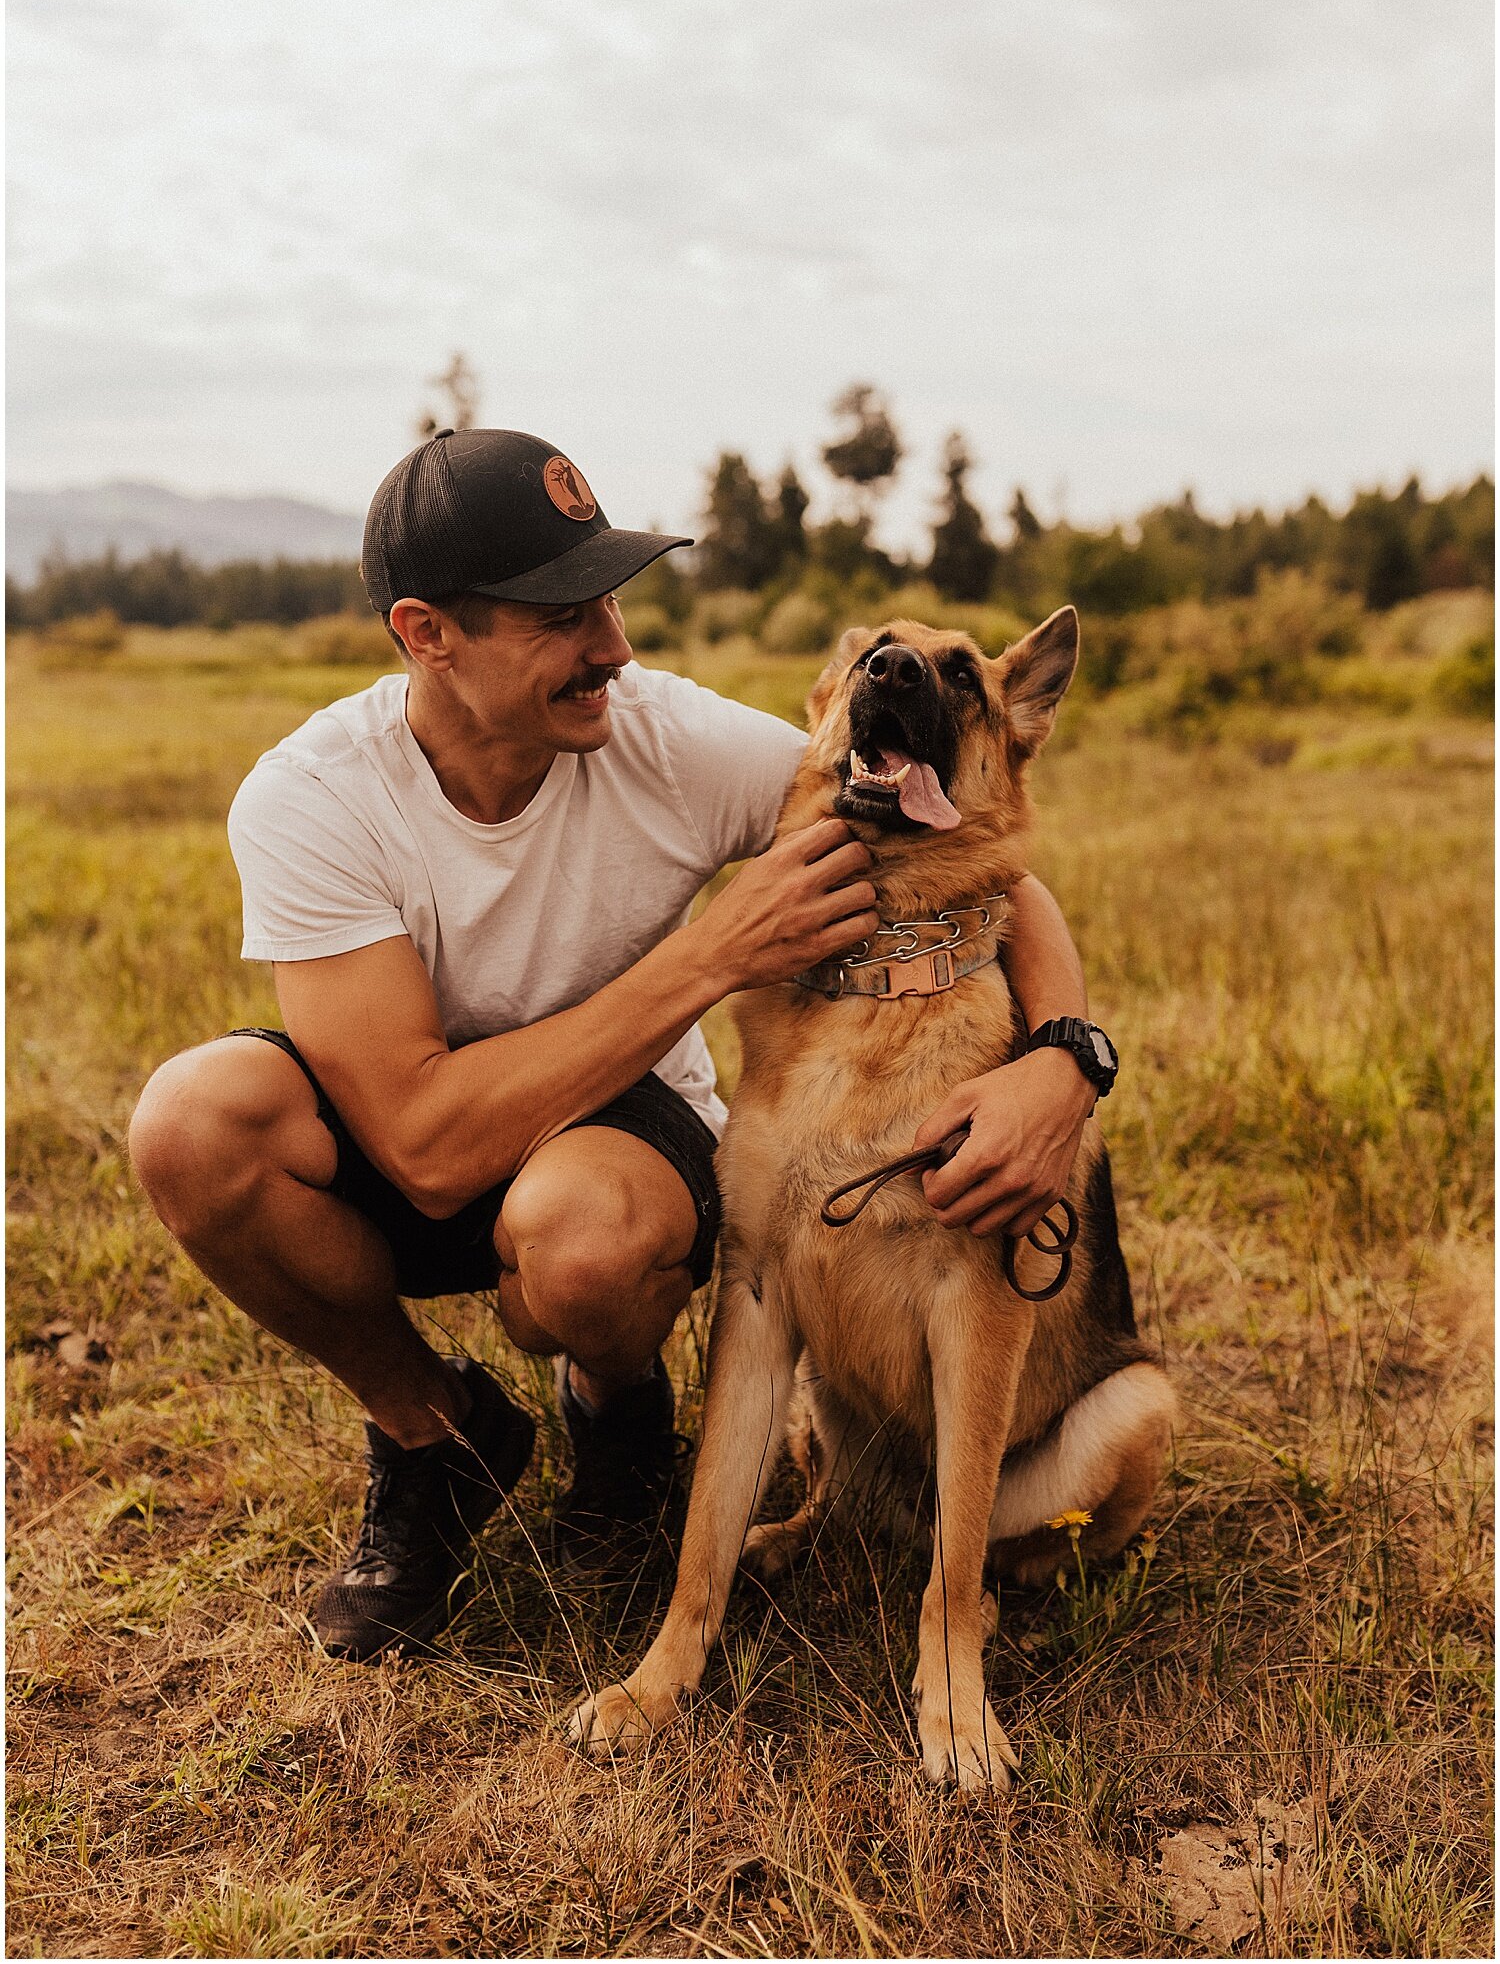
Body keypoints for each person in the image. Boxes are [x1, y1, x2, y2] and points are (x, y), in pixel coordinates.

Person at [128, 428, 1100, 1662]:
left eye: (612, 598)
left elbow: (988, 861)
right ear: (428, 634)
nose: (615, 647)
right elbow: (423, 1147)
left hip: (609, 1144)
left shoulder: (665, 737)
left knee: (587, 1240)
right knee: (190, 1122)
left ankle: (621, 1416)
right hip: (416, 1129)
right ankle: (434, 1433)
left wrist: (1061, 1058)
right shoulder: (313, 795)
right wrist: (710, 956)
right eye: (560, 614)